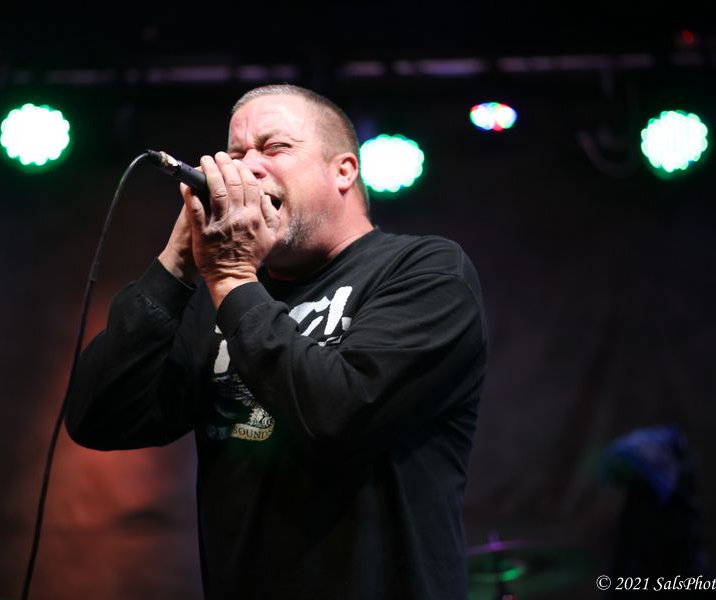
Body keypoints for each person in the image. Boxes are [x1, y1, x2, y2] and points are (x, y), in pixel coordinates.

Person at [65, 84, 488, 600]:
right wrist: (175, 264)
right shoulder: (224, 294)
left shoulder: (426, 271)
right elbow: (98, 419)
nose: (247, 168)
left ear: (343, 171)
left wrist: (232, 277)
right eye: (236, 153)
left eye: (275, 147)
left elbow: (339, 416)